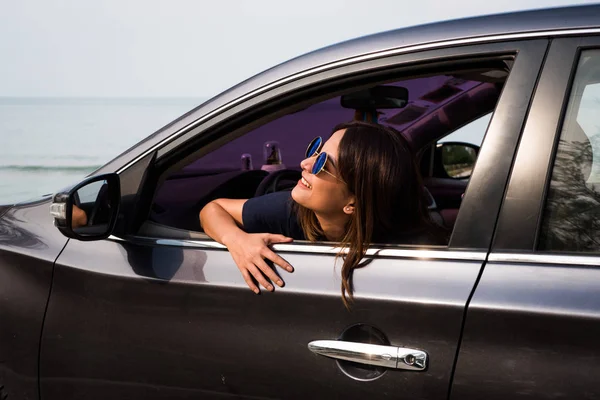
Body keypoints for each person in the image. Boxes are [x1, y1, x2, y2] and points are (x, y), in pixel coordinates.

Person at [199, 120, 443, 306]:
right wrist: (237, 240)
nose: (305, 163)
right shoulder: (294, 211)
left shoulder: (414, 256)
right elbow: (213, 208)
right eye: (316, 151)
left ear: (353, 203)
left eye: (322, 164)